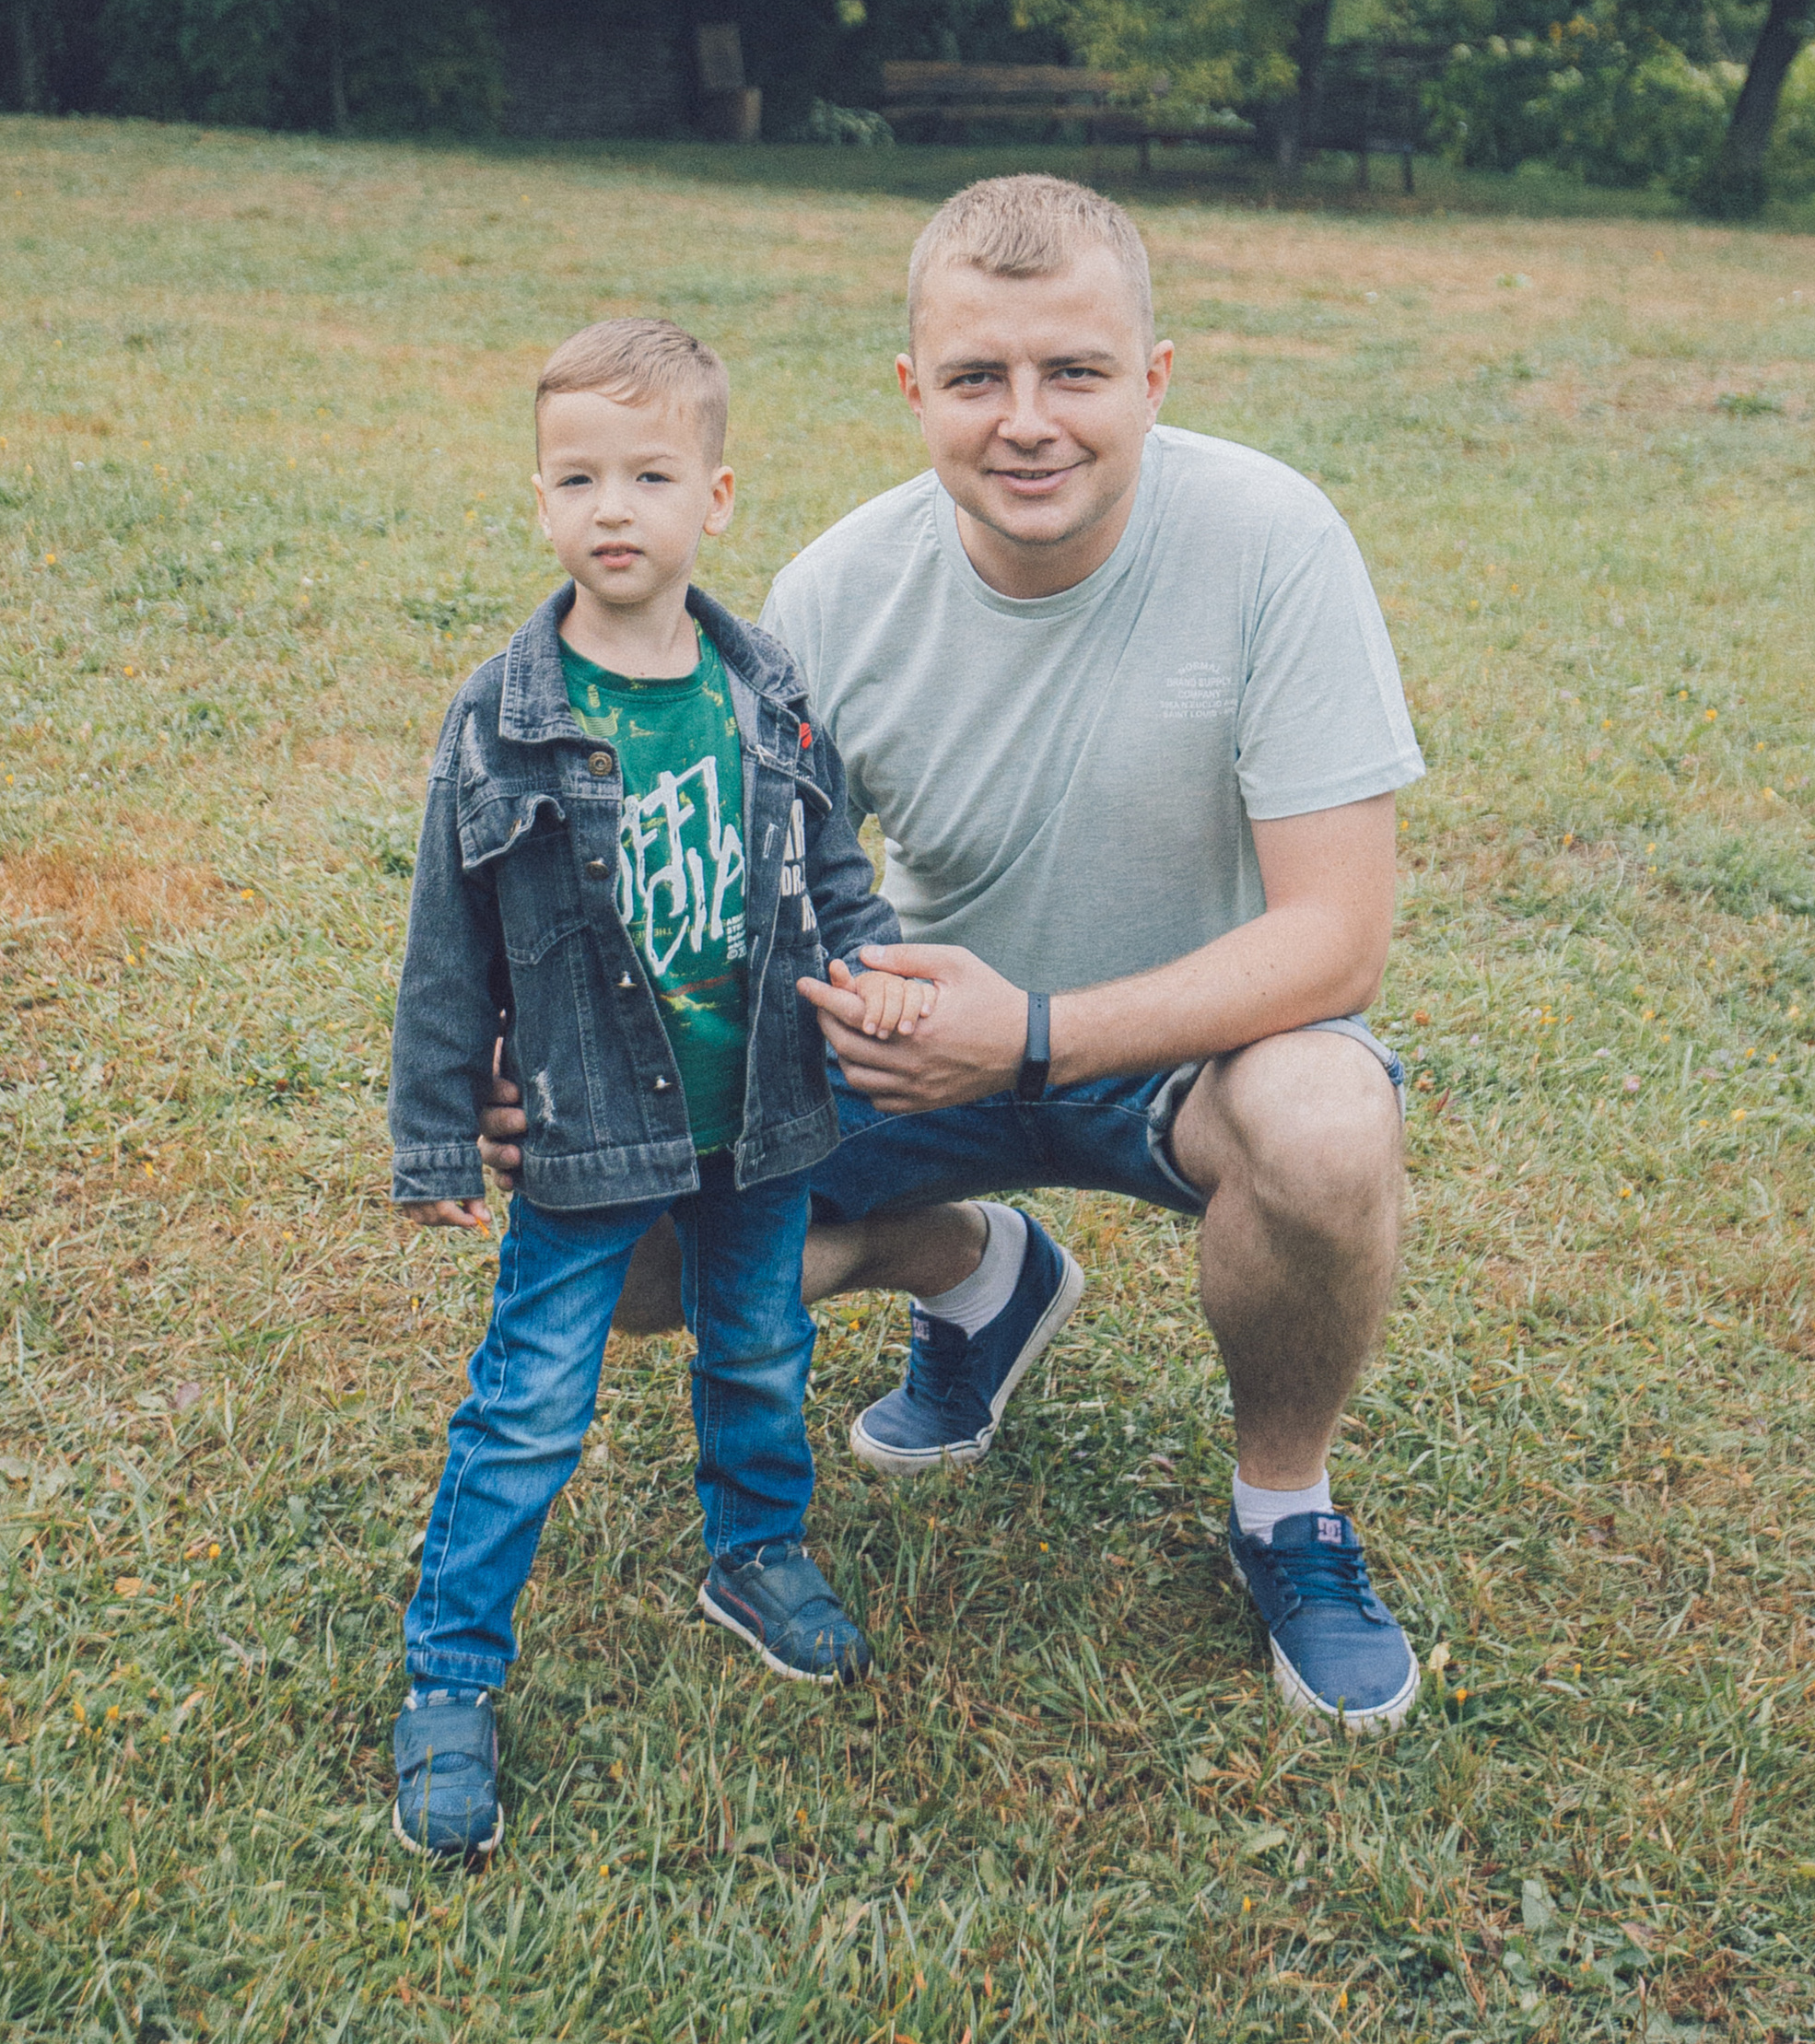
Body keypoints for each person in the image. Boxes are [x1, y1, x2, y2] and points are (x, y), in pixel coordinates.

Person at [480, 180, 1429, 1734]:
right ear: (915, 392)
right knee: (647, 1251)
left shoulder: (1273, 540)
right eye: (980, 379)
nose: (1029, 422)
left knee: (1332, 1126)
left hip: (1188, 1059)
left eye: (1077, 373)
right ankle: (980, 1271)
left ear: (1156, 379)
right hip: (919, 1048)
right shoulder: (834, 599)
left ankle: (1286, 1516)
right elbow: (747, 907)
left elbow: (1339, 937)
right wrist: (574, 1067)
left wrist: (1042, 1034)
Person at [386, 316, 932, 1860]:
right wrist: (438, 1125)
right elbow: (447, 943)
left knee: (758, 1352)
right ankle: (449, 1676)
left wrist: (877, 969)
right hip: (585, 1134)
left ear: (717, 496)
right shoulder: (504, 717)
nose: (611, 508)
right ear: (540, 500)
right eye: (577, 478)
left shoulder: (765, 689)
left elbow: (833, 870)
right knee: (528, 1411)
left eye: (648, 474)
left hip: (761, 1115)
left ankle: (755, 1550)